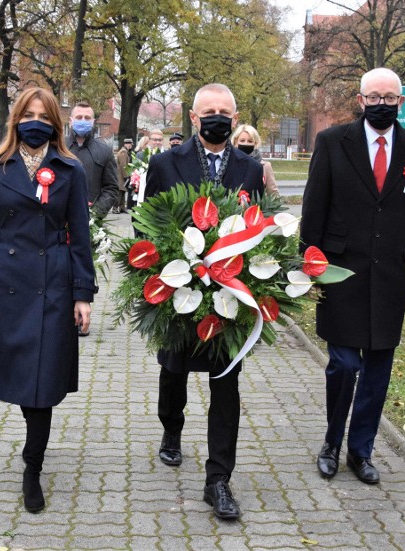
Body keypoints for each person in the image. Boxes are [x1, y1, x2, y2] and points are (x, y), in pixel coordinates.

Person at [300, 67, 405, 485]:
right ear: (360, 101)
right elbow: (314, 209)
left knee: (378, 368)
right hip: (341, 273)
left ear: (401, 101)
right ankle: (331, 442)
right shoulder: (332, 142)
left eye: (390, 97)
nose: (382, 104)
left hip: (390, 278)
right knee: (343, 364)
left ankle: (361, 451)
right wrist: (306, 270)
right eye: (373, 97)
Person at [0, 88, 97, 514]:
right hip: (8, 284)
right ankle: (33, 441)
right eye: (28, 114)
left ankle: (32, 464)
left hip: (54, 284)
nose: (35, 121)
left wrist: (83, 294)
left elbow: (80, 235)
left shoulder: (70, 170)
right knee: (24, 376)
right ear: (15, 120)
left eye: (43, 115)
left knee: (43, 381)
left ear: (55, 123)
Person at [143, 83, 264, 520]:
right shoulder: (164, 163)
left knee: (225, 383)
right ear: (193, 119)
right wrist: (157, 277)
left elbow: (259, 227)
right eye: (208, 111)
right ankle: (171, 431)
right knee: (173, 371)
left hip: (229, 295)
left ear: (234, 118)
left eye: (224, 111)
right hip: (179, 288)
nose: (217, 117)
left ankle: (218, 480)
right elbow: (147, 224)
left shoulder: (251, 169)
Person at [67, 101, 119, 218]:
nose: (83, 121)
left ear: (93, 122)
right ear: (71, 121)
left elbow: (111, 187)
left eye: (87, 118)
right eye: (79, 117)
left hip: (91, 221)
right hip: (58, 221)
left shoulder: (104, 150)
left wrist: (95, 214)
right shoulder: (58, 146)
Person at [230, 124, 279, 195]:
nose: (246, 144)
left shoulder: (265, 166)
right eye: (242, 140)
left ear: (255, 143)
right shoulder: (228, 163)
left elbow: (273, 194)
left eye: (250, 141)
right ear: (235, 142)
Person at [114, 138, 134, 213]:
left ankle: (122, 207)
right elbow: (123, 165)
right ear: (127, 144)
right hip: (121, 175)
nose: (131, 146)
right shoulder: (123, 152)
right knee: (119, 192)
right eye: (130, 144)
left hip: (121, 175)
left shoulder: (124, 152)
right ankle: (115, 208)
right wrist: (126, 176)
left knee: (122, 191)